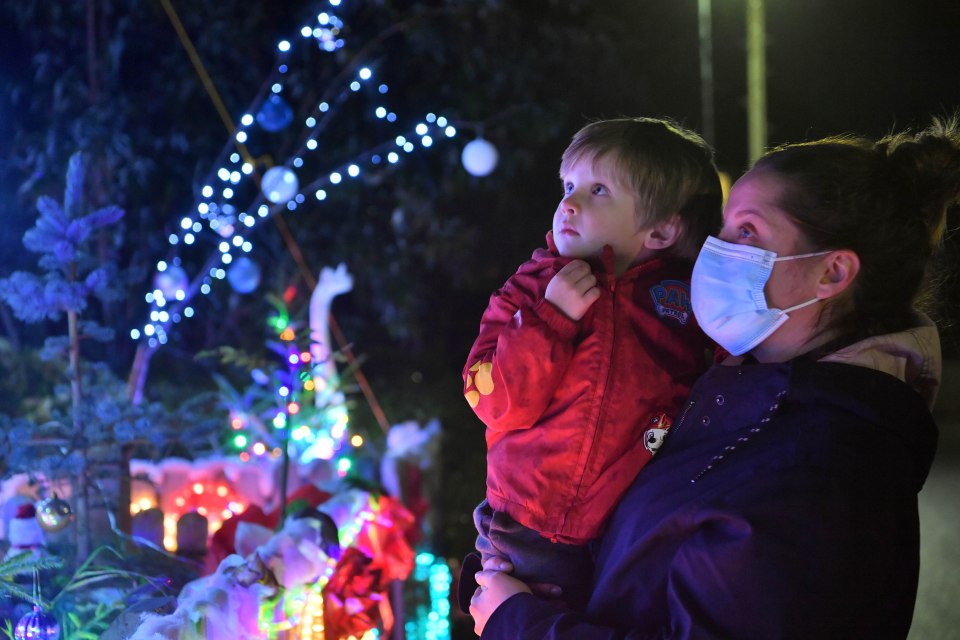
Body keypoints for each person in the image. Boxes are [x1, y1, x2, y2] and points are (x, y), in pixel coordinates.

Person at [468, 116, 960, 638]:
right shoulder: (745, 389)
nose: (713, 250)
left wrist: (518, 622)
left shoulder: (825, 472)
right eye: (723, 228)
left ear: (832, 272)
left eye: (746, 231)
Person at [461, 117, 722, 608]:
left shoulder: (685, 301)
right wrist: (550, 319)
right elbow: (493, 400)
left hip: (633, 522)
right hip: (532, 528)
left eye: (599, 189)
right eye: (569, 185)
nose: (569, 203)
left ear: (663, 229)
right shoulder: (532, 289)